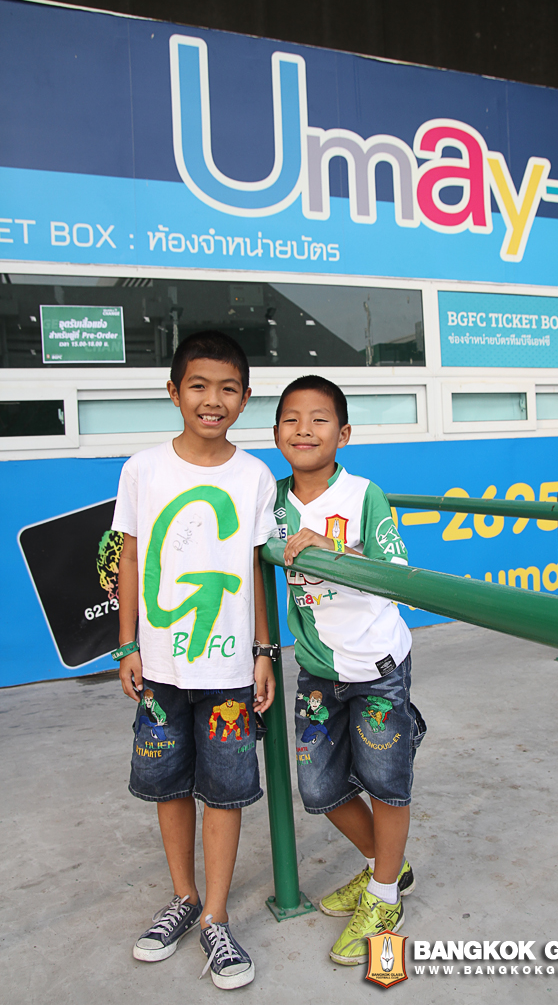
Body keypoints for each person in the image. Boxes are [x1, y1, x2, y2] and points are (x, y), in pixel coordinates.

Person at [113, 330, 278, 990]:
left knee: (225, 793)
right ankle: (183, 897)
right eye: (199, 386)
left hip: (230, 673)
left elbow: (257, 570)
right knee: (169, 786)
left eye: (228, 389)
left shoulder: (254, 476)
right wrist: (127, 643)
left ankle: (215, 915)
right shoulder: (142, 469)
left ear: (244, 398)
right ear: (174, 391)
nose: (213, 400)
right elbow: (129, 557)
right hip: (159, 669)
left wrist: (264, 652)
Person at [273, 375, 426, 966]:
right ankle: (387, 866)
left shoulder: (364, 494)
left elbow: (397, 573)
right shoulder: (272, 501)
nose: (304, 429)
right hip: (317, 668)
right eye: (291, 419)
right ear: (276, 432)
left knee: (386, 782)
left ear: (343, 434)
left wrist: (330, 551)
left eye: (319, 419)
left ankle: (384, 895)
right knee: (319, 787)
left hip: (376, 665)